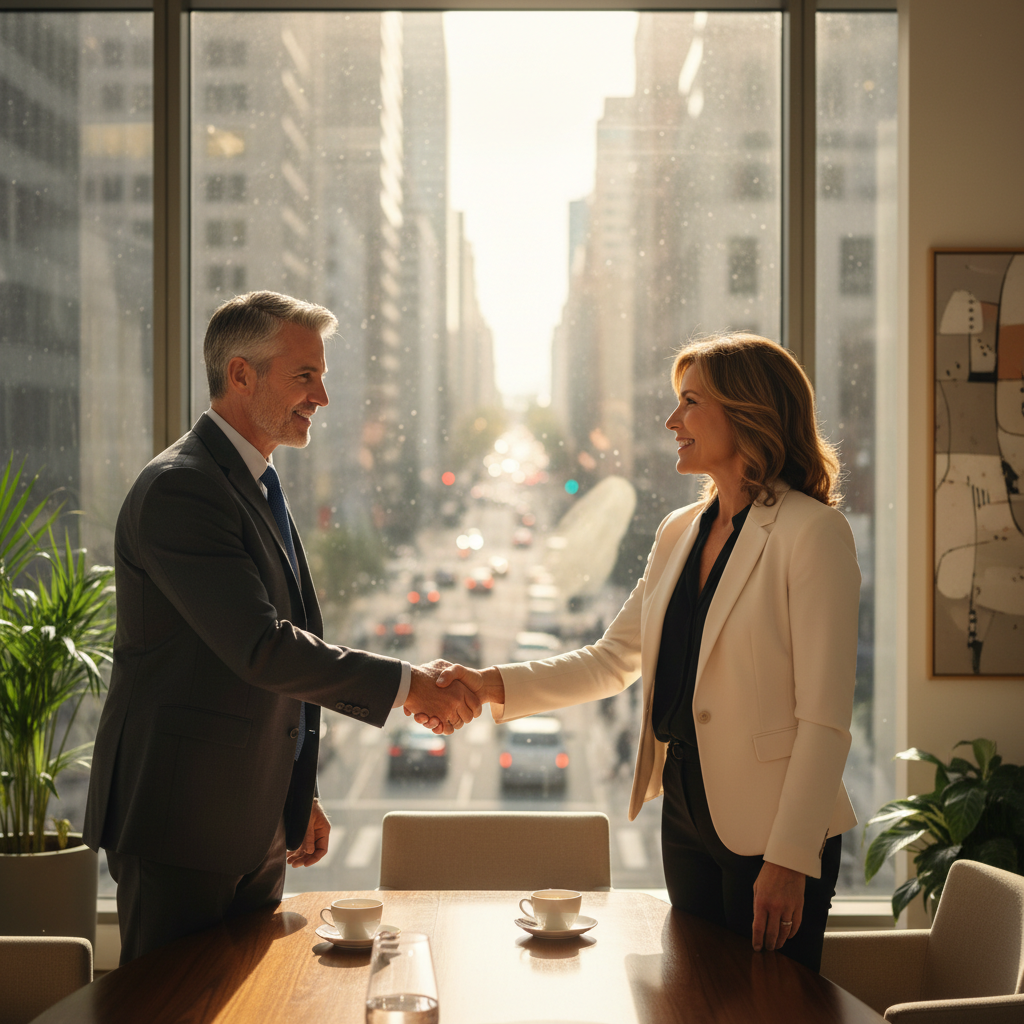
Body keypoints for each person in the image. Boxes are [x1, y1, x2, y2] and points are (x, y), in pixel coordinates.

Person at [434, 333, 861, 972]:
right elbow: (613, 659)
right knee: (691, 995)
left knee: (768, 1010)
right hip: (686, 808)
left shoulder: (812, 532)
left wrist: (790, 857)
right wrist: (491, 683)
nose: (672, 421)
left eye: (690, 402)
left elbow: (825, 719)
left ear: (745, 413)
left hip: (773, 831)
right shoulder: (679, 531)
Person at [84, 291, 480, 963]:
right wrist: (410, 684)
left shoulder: (254, 481)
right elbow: (261, 647)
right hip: (181, 826)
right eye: (305, 375)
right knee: (171, 1008)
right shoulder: (183, 488)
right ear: (241, 375)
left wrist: (294, 794)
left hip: (249, 822)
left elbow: (263, 661)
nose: (321, 397)